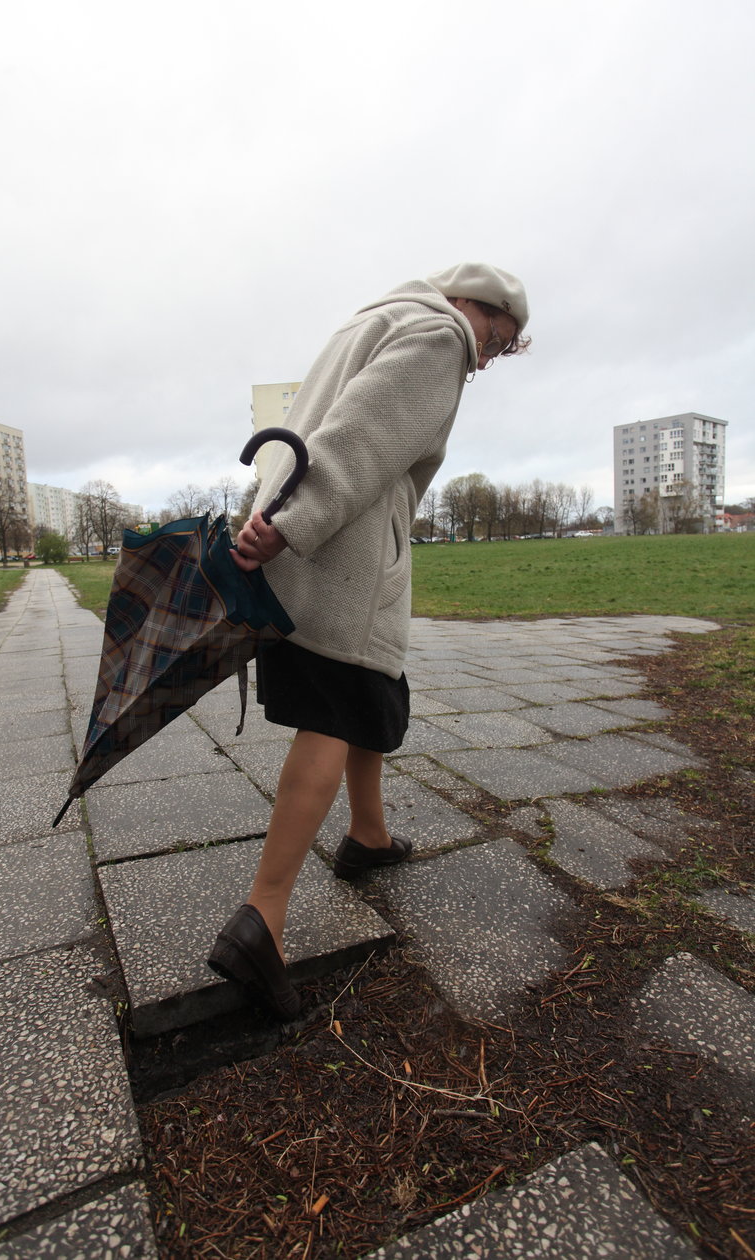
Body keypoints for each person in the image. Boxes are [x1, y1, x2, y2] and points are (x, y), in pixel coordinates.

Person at [207, 263, 530, 1019]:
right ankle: (264, 917)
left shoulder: (371, 319)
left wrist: (274, 519)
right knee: (337, 712)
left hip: (312, 547)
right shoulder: (437, 334)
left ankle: (369, 835)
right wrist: (289, 527)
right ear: (475, 308)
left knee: (367, 693)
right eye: (497, 340)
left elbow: (313, 426)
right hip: (337, 554)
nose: (486, 358)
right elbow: (361, 434)